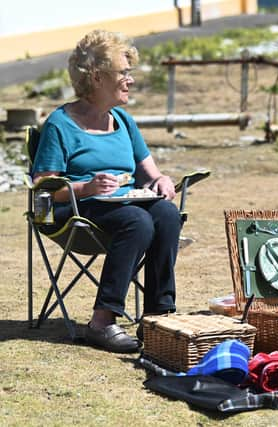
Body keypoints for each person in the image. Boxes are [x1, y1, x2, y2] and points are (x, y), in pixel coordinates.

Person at [32, 30, 181, 353]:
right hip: (76, 210)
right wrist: (86, 187)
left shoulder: (123, 121)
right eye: (123, 73)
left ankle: (158, 315)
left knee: (167, 214)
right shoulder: (60, 124)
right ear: (97, 77)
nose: (130, 80)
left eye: (130, 73)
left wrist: (162, 181)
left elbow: (151, 173)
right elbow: (43, 188)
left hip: (121, 205)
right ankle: (102, 321)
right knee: (137, 222)